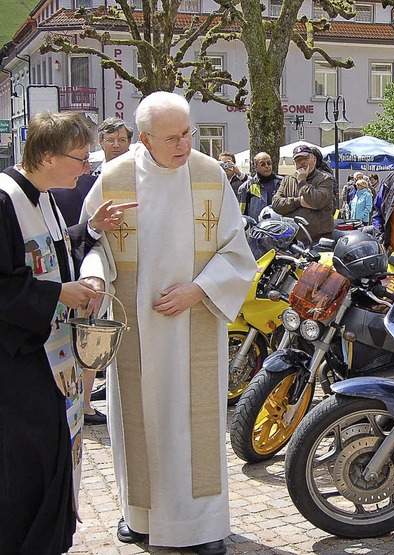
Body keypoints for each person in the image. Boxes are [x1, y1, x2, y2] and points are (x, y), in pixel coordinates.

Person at [79, 92, 256, 555]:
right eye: (172, 137)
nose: (184, 145)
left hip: (194, 323)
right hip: (136, 329)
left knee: (191, 425)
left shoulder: (209, 175)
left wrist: (198, 290)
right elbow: (91, 241)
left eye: (188, 133)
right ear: (143, 139)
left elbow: (238, 252)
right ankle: (138, 516)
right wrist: (95, 270)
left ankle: (199, 527)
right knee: (136, 421)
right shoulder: (115, 179)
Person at [0, 111, 132, 555]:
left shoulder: (44, 196)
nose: (87, 169)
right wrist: (60, 293)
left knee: (56, 452)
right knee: (27, 464)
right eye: (80, 158)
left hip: (53, 357)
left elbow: (55, 251)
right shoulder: (4, 201)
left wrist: (92, 229)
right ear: (46, 156)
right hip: (19, 362)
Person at [51, 117, 135, 424]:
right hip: (78, 266)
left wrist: (91, 229)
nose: (115, 145)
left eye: (121, 140)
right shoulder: (83, 180)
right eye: (110, 140)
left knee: (92, 337)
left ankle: (83, 399)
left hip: (91, 260)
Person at [271, 143, 335, 244]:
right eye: (298, 160)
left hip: (318, 240)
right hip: (293, 241)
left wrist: (302, 181)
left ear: (314, 159)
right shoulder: (287, 180)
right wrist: (298, 202)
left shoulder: (325, 179)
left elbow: (317, 201)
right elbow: (276, 204)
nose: (302, 162)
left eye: (305, 158)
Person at [237, 152, 282, 221]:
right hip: (257, 229)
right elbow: (240, 216)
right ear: (256, 166)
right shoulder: (245, 188)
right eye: (262, 164)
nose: (267, 166)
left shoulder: (282, 183)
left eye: (269, 163)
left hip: (280, 228)